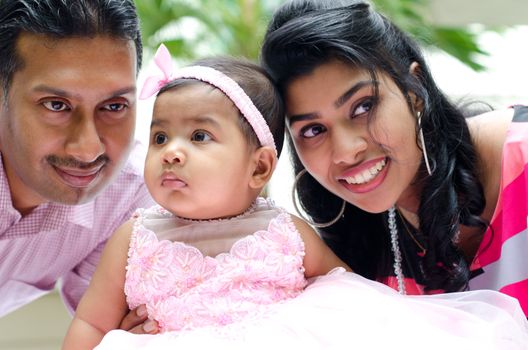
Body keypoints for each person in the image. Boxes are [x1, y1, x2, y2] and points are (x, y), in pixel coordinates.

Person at [63, 46, 528, 350]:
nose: (172, 153)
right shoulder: (135, 236)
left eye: (200, 136)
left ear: (260, 167)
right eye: (160, 137)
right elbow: (90, 322)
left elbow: (349, 291)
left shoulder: (283, 230)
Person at [260, 0, 528, 314]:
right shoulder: (352, 247)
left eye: (363, 107)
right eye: (313, 130)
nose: (347, 150)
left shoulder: (521, 157)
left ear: (414, 88)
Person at [0, 0, 155, 332]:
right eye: (57, 105)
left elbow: (108, 329)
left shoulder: (128, 198)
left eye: (114, 106)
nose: (88, 149)